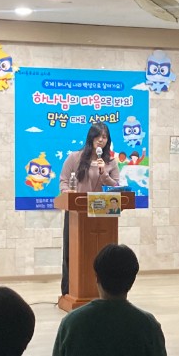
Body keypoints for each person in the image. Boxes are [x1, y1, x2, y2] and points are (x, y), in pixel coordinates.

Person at [58, 122, 120, 296]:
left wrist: (103, 173)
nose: (101, 140)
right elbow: (63, 180)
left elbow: (116, 186)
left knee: (103, 252)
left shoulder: (110, 162)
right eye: (98, 136)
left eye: (104, 137)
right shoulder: (75, 157)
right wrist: (67, 192)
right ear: (91, 138)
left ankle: (105, 292)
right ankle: (70, 292)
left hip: (102, 212)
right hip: (77, 211)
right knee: (72, 251)